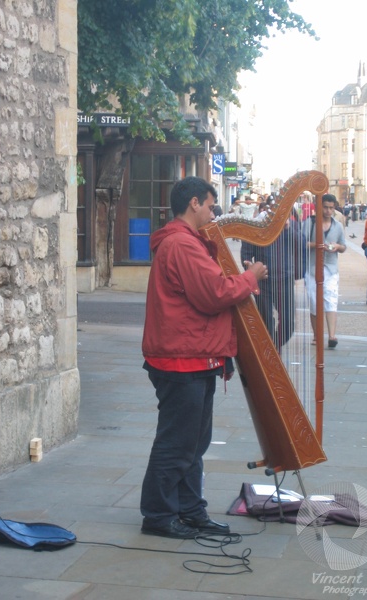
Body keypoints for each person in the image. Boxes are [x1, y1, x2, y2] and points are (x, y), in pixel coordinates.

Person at [140, 176, 268, 539]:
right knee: (177, 443)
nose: (214, 214)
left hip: (193, 354)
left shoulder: (187, 242)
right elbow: (213, 293)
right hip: (182, 357)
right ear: (194, 203)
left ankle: (191, 510)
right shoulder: (182, 244)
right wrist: (250, 276)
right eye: (211, 206)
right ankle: (159, 515)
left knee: (194, 442)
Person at [241, 212, 305, 351]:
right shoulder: (255, 228)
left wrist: (287, 228)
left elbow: (301, 244)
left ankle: (273, 347)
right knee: (266, 322)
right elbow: (245, 255)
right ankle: (271, 354)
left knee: (288, 324)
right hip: (263, 281)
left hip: (285, 279)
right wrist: (251, 270)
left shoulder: (290, 226)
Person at [303, 194, 346, 348]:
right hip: (312, 268)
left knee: (331, 300)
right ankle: (316, 335)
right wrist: (316, 244)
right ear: (319, 206)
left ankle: (332, 336)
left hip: (331, 268)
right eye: (326, 207)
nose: (328, 211)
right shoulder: (310, 223)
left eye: (331, 208)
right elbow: (302, 243)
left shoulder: (337, 225)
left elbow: (344, 246)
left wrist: (337, 247)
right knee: (314, 301)